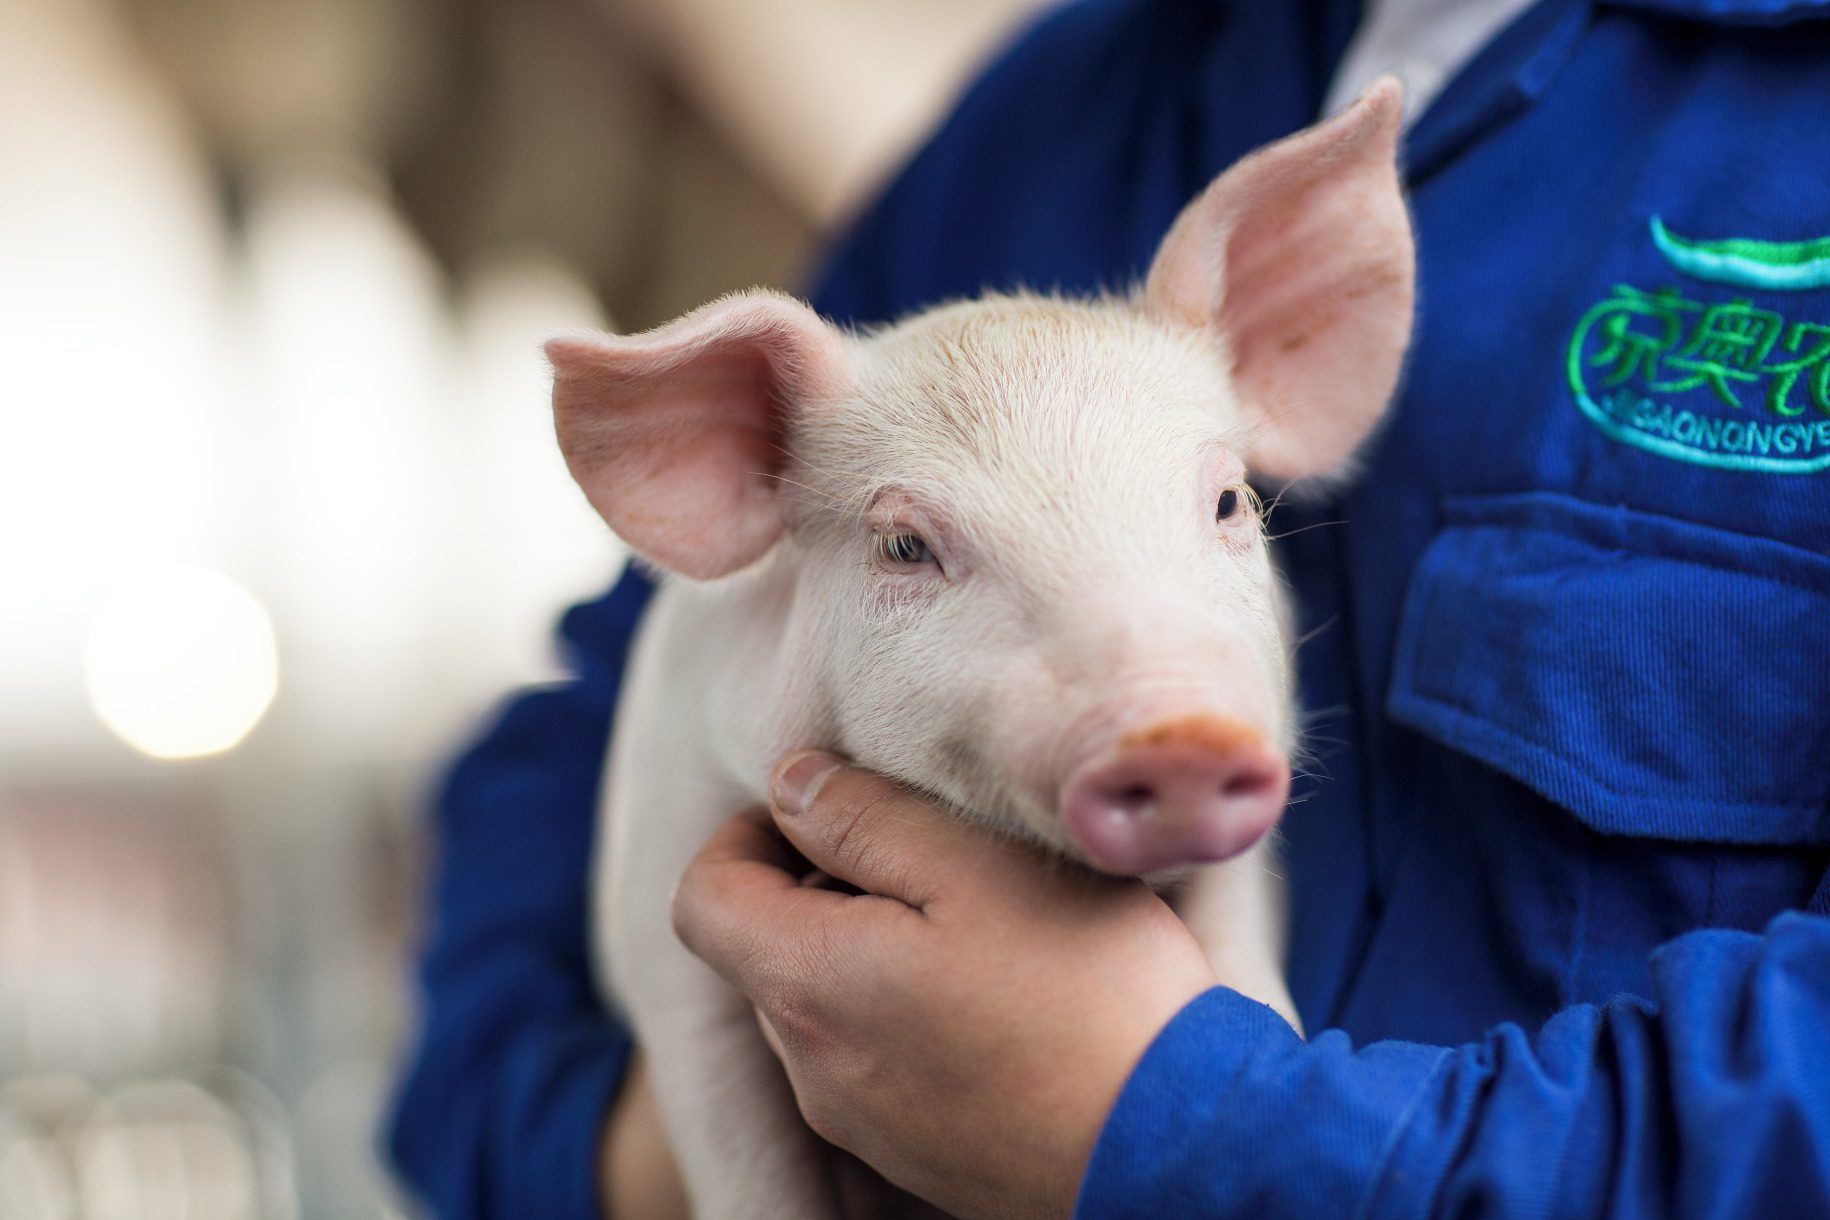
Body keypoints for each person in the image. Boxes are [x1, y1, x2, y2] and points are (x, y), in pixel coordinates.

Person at [386, 0, 1830, 1215]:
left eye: (1220, 509)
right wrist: (676, 1129)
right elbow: (572, 760)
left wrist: (1176, 1127)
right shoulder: (1067, 97)